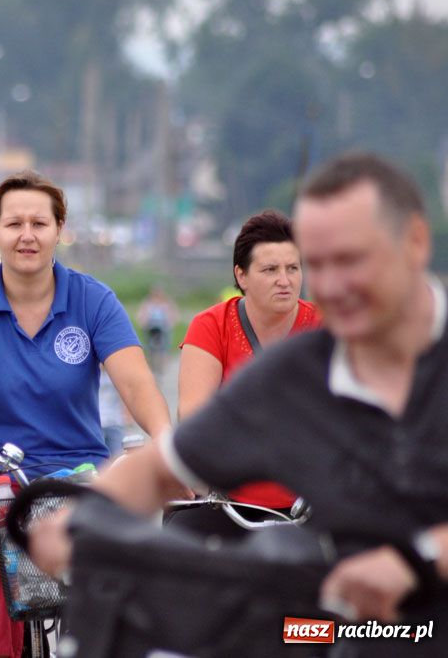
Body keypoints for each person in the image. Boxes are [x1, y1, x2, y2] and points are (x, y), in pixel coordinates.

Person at [30, 152, 448, 656]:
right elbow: (164, 465)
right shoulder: (295, 371)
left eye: (351, 260)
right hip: (344, 627)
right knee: (267, 631)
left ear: (416, 242)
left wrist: (416, 560)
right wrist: (78, 521)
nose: (329, 285)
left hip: (425, 623)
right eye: (319, 264)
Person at [0, 170, 173, 657]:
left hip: (78, 472)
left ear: (60, 229)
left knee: (119, 562)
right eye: (13, 223)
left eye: (39, 223)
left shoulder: (93, 299)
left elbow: (136, 382)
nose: (26, 235)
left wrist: (169, 444)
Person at [168, 209, 322, 536]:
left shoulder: (327, 327)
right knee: (176, 541)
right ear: (241, 276)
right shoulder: (211, 325)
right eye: (270, 270)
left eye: (293, 268)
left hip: (312, 500)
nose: (285, 280)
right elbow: (194, 416)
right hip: (228, 499)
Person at [136, 285, 178, 376]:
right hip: (151, 327)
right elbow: (142, 314)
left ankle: (162, 363)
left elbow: (173, 314)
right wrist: (142, 322)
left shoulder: (166, 303)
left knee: (165, 343)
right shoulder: (148, 303)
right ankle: (150, 362)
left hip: (162, 327)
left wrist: (170, 322)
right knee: (148, 344)